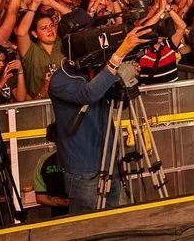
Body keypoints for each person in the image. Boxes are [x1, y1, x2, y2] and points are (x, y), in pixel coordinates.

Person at [47, 24, 153, 212]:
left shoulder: (96, 70)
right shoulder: (60, 79)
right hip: (82, 167)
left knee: (115, 216)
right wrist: (119, 54)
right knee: (87, 222)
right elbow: (89, 93)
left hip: (109, 160)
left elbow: (119, 102)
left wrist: (124, 78)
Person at [33, 123, 69, 216]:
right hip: (86, 213)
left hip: (58, 216)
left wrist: (61, 202)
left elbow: (41, 198)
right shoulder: (84, 160)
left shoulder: (43, 160)